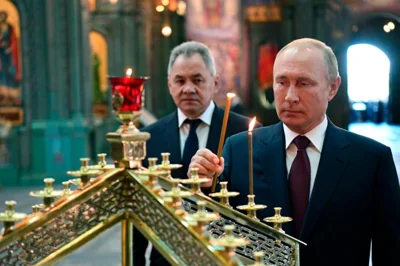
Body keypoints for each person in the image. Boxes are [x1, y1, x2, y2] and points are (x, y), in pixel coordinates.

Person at [189, 38, 400, 266]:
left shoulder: (370, 159)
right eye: (281, 82)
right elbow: (211, 234)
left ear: (332, 87)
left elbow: (390, 251)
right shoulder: (239, 149)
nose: (290, 96)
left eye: (303, 83)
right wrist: (200, 188)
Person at [134, 41, 261, 266]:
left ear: (215, 83)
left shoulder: (247, 132)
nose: (189, 88)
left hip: (225, 257)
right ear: (169, 85)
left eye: (198, 80)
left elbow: (256, 199)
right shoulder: (147, 138)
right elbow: (140, 216)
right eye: (180, 81)